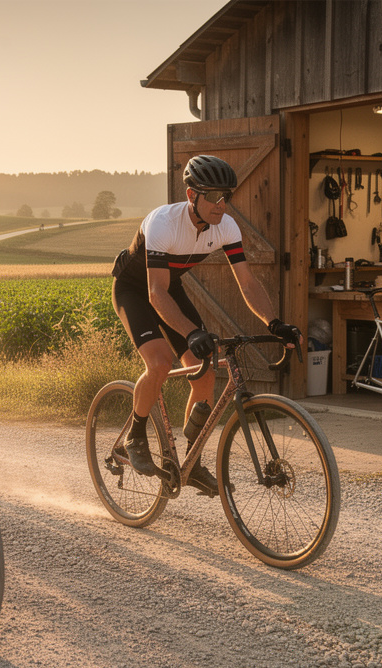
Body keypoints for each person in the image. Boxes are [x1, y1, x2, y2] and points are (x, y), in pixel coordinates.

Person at [110, 154, 298, 496]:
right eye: (212, 196)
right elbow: (154, 293)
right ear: (191, 195)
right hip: (135, 290)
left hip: (171, 287)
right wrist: (190, 331)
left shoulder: (226, 227)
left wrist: (274, 323)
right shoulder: (163, 223)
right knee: (160, 362)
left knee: (205, 371)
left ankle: (191, 461)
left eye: (226, 196)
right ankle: (134, 436)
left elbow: (247, 282)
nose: (221, 204)